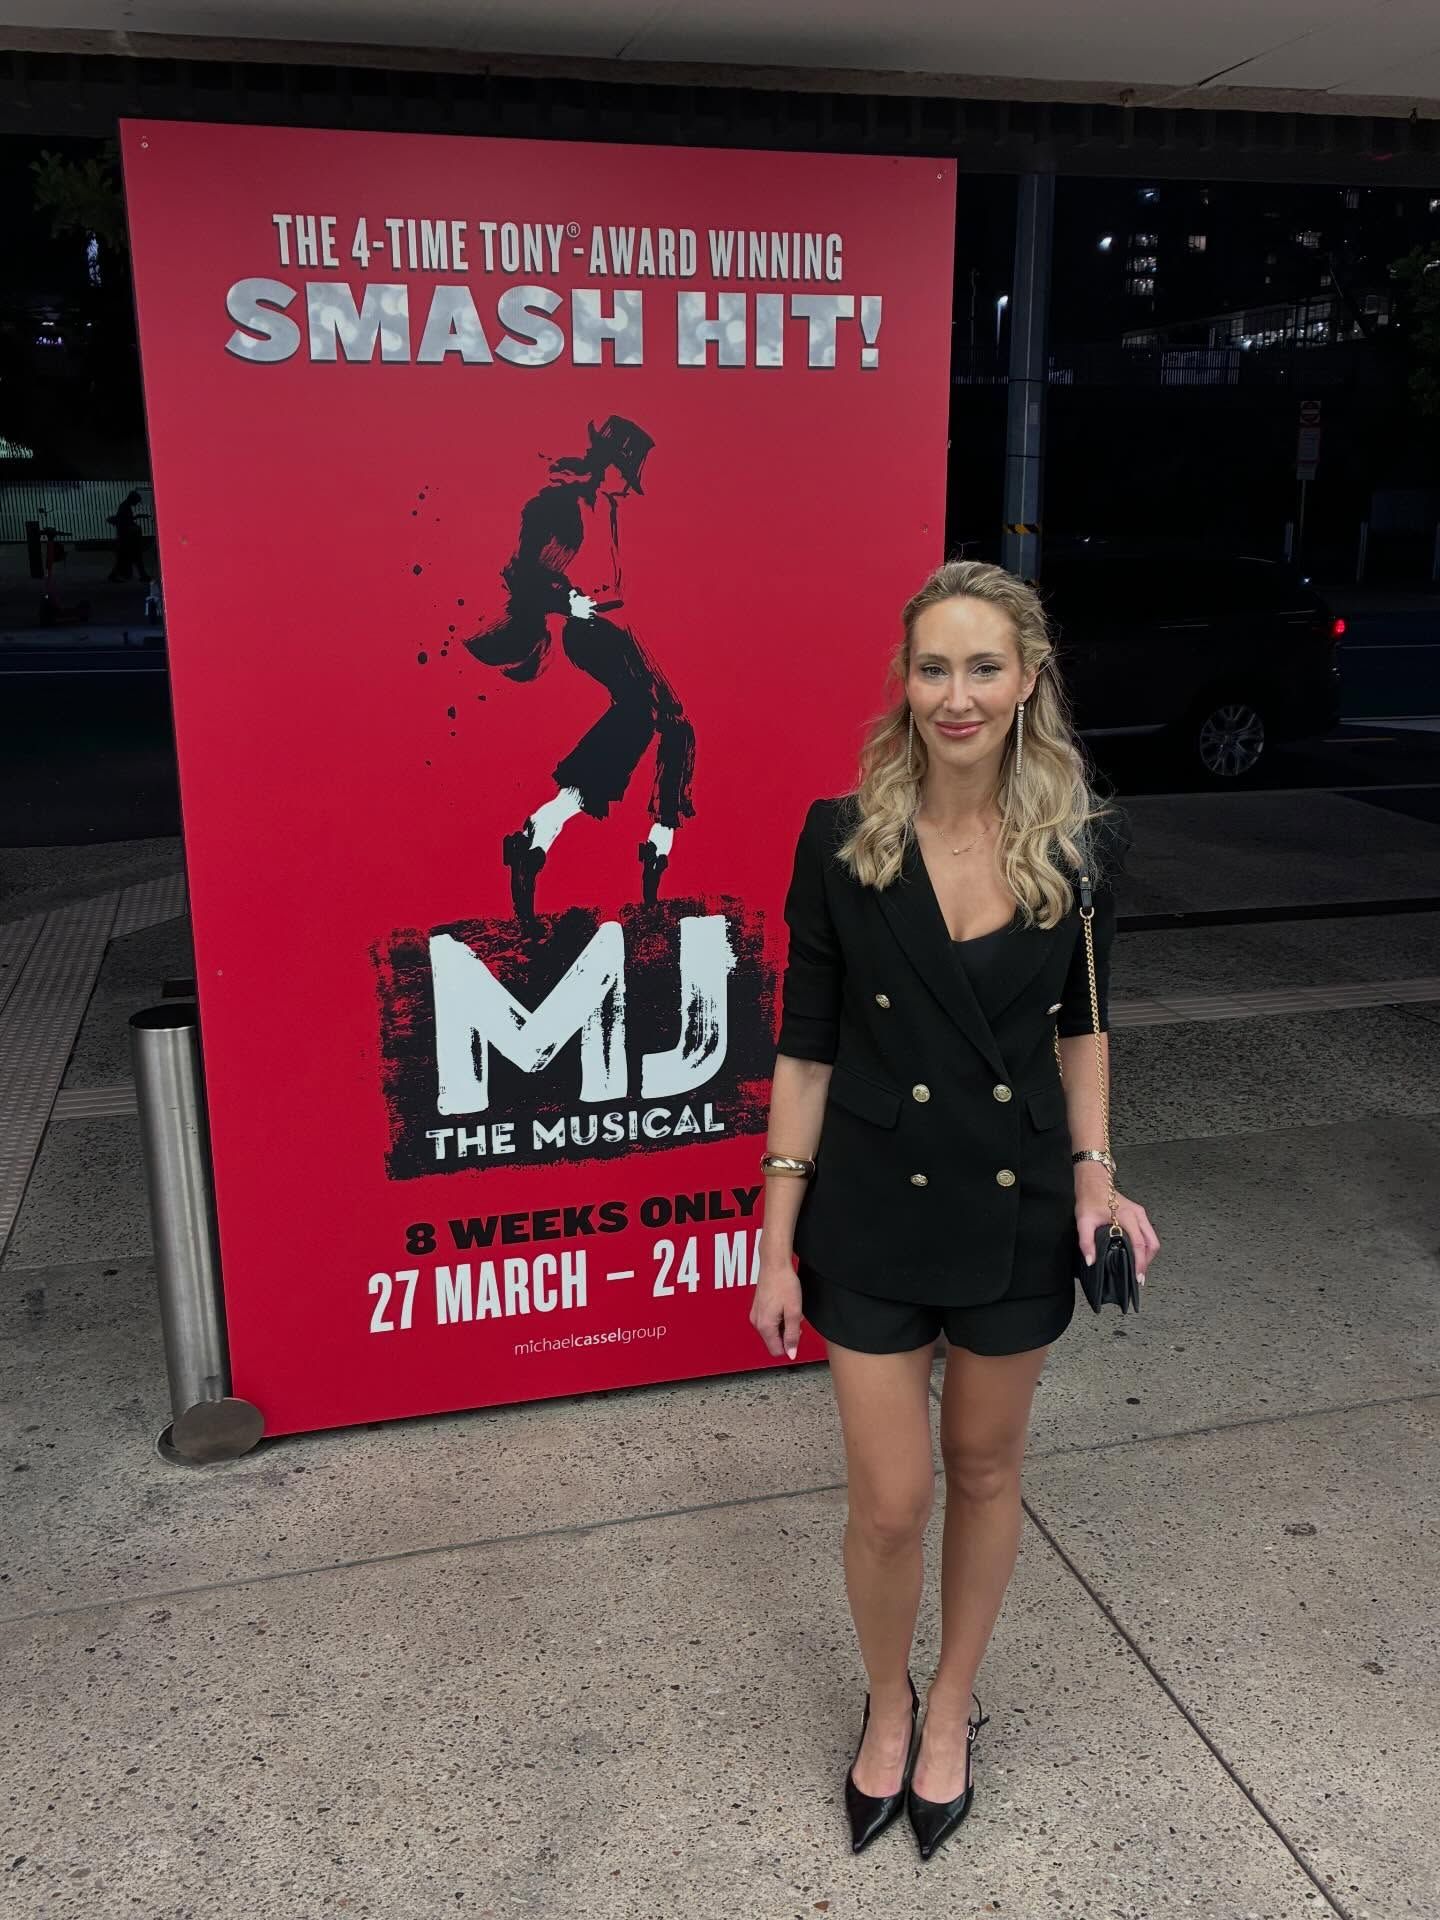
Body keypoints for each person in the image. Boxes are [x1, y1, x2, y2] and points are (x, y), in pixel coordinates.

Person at [752, 558, 1160, 1861]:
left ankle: (951, 1706)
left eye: (985, 667)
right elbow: (807, 1049)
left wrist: (1094, 1174)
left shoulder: (1079, 845)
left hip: (1015, 1201)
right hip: (871, 1210)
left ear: (1028, 679)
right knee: (889, 1501)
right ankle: (886, 1700)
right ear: (906, 681)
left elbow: (1083, 1029)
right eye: (934, 667)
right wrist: (776, 1245)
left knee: (986, 1469)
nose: (958, 694)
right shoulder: (843, 838)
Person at [463, 416, 696, 920]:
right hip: (584, 629)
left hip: (615, 626)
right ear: (607, 464)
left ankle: (658, 843)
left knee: (674, 718)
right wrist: (568, 601)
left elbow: (614, 583)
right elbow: (520, 573)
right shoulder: (558, 505)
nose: (629, 488)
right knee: (641, 710)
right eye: (626, 475)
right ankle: (543, 828)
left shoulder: (605, 506)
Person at [106, 490, 149, 583]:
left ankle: (143, 575)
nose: (136, 504)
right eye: (136, 501)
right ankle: (142, 576)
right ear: (132, 499)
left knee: (128, 558)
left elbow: (126, 520)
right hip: (126, 538)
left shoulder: (125, 506)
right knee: (133, 557)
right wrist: (134, 527)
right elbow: (124, 522)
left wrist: (137, 516)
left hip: (126, 537)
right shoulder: (125, 507)